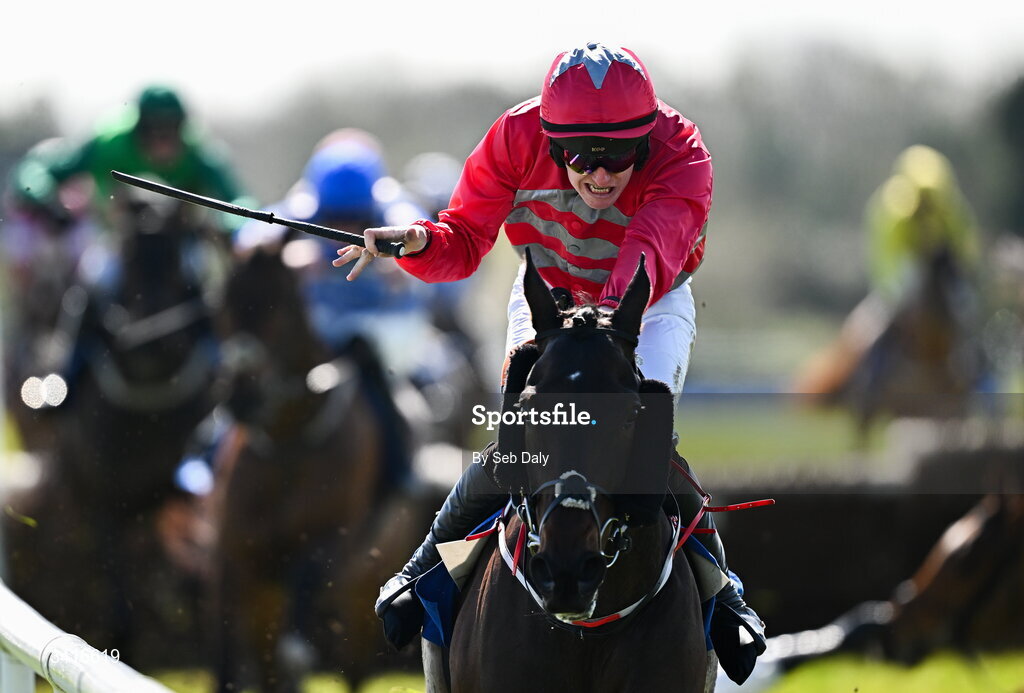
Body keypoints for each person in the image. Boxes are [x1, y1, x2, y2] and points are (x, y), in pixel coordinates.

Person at [335, 42, 766, 683]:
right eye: (579, 157)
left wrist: (605, 339)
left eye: (618, 156)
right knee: (521, 439)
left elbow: (647, 253)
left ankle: (719, 590)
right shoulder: (513, 138)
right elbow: (465, 236)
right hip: (548, 298)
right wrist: (421, 241)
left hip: (647, 301)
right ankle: (425, 567)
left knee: (644, 429)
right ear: (551, 141)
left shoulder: (683, 156)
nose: (599, 175)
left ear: (646, 141)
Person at [36, 85, 250, 234]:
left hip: (182, 240)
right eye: (154, 129)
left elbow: (238, 201)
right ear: (139, 127)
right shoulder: (109, 143)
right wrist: (41, 197)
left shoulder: (198, 149)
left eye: (170, 128)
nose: (162, 139)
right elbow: (44, 170)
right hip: (115, 238)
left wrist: (234, 226)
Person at [866, 145, 980, 306]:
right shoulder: (897, 209)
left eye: (929, 202)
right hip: (906, 262)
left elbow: (963, 242)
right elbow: (886, 249)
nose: (926, 207)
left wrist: (963, 267)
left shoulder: (948, 208)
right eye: (922, 203)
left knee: (965, 303)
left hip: (942, 263)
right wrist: (889, 283)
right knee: (894, 302)